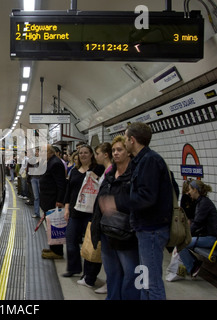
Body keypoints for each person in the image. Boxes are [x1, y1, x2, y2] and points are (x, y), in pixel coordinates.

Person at [124, 122, 173, 300]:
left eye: (125, 138)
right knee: (144, 279)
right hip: (144, 228)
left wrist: (118, 202)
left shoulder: (150, 161)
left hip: (152, 229)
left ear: (132, 140)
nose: (124, 141)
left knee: (152, 282)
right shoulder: (141, 161)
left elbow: (147, 197)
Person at [91, 135, 140, 300]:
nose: (116, 153)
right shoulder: (110, 174)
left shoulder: (134, 174)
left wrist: (116, 204)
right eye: (113, 150)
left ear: (128, 152)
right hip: (107, 231)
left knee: (130, 272)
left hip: (126, 233)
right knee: (112, 272)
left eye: (120, 149)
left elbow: (139, 201)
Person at [63, 144, 105, 287]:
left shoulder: (98, 169)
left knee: (90, 244)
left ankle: (89, 273)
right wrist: (67, 208)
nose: (83, 155)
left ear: (91, 154)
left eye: (86, 152)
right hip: (75, 212)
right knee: (71, 240)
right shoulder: (74, 171)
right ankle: (74, 268)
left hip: (91, 213)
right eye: (81, 153)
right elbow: (69, 191)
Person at [178, 180, 217, 277]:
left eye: (190, 189)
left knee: (180, 243)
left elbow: (197, 223)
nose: (189, 192)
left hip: (211, 239)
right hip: (207, 236)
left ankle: (193, 266)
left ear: (196, 190)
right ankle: (193, 264)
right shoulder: (202, 202)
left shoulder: (204, 203)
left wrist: (186, 236)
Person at [39, 145, 67, 259]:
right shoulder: (50, 161)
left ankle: (57, 252)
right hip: (48, 199)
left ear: (49, 152)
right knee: (51, 225)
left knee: (55, 225)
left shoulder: (55, 163)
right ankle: (53, 248)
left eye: (42, 152)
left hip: (52, 200)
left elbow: (61, 184)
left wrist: (60, 200)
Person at [28, 148, 41, 218]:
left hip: (40, 179)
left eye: (38, 151)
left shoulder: (43, 160)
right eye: (36, 151)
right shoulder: (34, 159)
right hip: (34, 178)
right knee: (36, 196)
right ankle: (36, 212)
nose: (36, 152)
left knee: (41, 195)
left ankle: (42, 212)